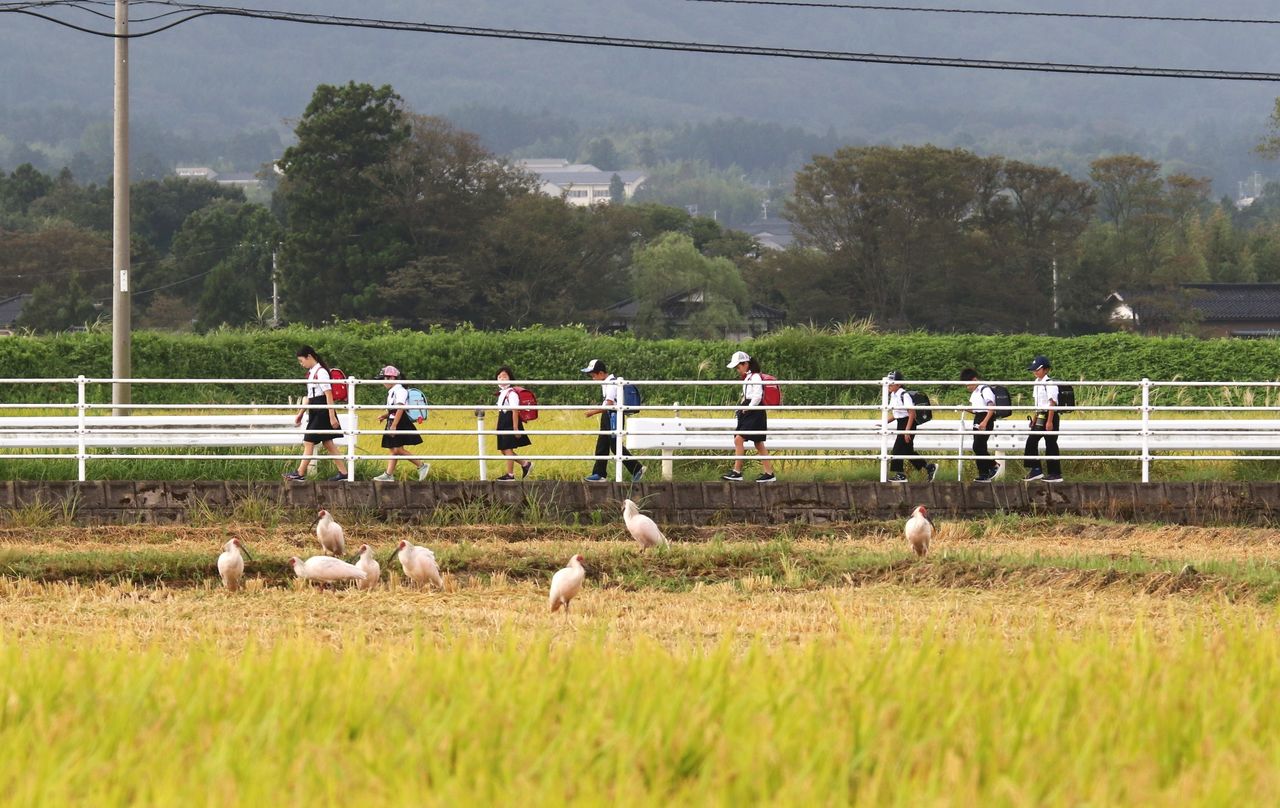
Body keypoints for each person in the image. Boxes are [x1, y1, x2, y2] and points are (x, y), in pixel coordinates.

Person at [284, 345, 350, 482]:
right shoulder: (313, 372)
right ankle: (344, 473)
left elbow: (328, 394)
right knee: (327, 442)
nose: (302, 364)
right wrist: (301, 413)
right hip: (315, 408)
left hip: (322, 409)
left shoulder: (321, 372)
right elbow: (309, 396)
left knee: (308, 441)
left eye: (302, 361)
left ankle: (300, 473)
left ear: (309, 356)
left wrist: (331, 415)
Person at [581, 359, 644, 482]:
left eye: (593, 375)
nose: (593, 378)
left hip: (614, 415)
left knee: (615, 445)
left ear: (600, 373)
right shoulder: (606, 383)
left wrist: (592, 412)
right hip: (608, 415)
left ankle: (637, 469)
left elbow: (609, 404)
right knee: (602, 444)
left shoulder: (611, 384)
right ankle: (599, 474)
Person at [721, 350, 776, 483]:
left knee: (739, 439)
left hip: (754, 411)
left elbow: (757, 396)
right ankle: (769, 473)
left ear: (745, 364)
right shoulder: (748, 378)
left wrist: (748, 408)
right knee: (758, 443)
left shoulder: (755, 377)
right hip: (751, 409)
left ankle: (737, 472)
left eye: (738, 367)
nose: (738, 370)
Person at [372, 365, 429, 482]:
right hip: (393, 420)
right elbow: (393, 409)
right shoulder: (393, 391)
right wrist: (385, 416)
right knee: (393, 449)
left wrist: (394, 426)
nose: (383, 382)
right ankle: (388, 474)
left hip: (398, 421)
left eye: (384, 379)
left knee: (397, 449)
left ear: (392, 378)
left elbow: (400, 408)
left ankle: (421, 465)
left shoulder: (400, 390)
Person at [884, 370, 937, 483]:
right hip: (901, 423)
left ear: (898, 384)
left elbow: (911, 413)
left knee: (897, 450)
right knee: (907, 450)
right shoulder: (893, 395)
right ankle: (929, 467)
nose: (888, 385)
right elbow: (896, 414)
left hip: (908, 424)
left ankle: (900, 475)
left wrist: (907, 431)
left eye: (891, 382)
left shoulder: (904, 395)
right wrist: (884, 422)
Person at [1024, 355, 1063, 483]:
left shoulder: (1050, 383)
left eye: (1038, 369)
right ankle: (1036, 469)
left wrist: (1050, 421)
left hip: (1050, 415)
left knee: (1050, 443)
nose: (1035, 372)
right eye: (1034, 370)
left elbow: (1052, 403)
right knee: (1031, 441)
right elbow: (1038, 403)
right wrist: (1034, 419)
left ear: (1045, 370)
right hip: (1040, 414)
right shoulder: (1036, 383)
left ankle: (1055, 473)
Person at [494, 366, 533, 482]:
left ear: (510, 378)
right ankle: (525, 464)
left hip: (510, 421)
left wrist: (515, 428)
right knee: (503, 450)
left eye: (504, 376)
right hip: (503, 421)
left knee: (507, 449)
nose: (502, 379)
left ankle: (510, 475)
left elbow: (515, 410)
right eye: (499, 377)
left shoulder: (511, 393)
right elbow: (500, 410)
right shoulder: (501, 393)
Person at [961, 368, 998, 483]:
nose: (967, 387)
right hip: (978, 418)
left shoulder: (985, 389)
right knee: (979, 446)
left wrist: (985, 422)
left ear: (974, 379)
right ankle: (984, 473)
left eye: (968, 384)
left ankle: (993, 465)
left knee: (977, 446)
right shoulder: (975, 392)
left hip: (985, 418)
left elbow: (991, 407)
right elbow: (975, 409)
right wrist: (964, 408)